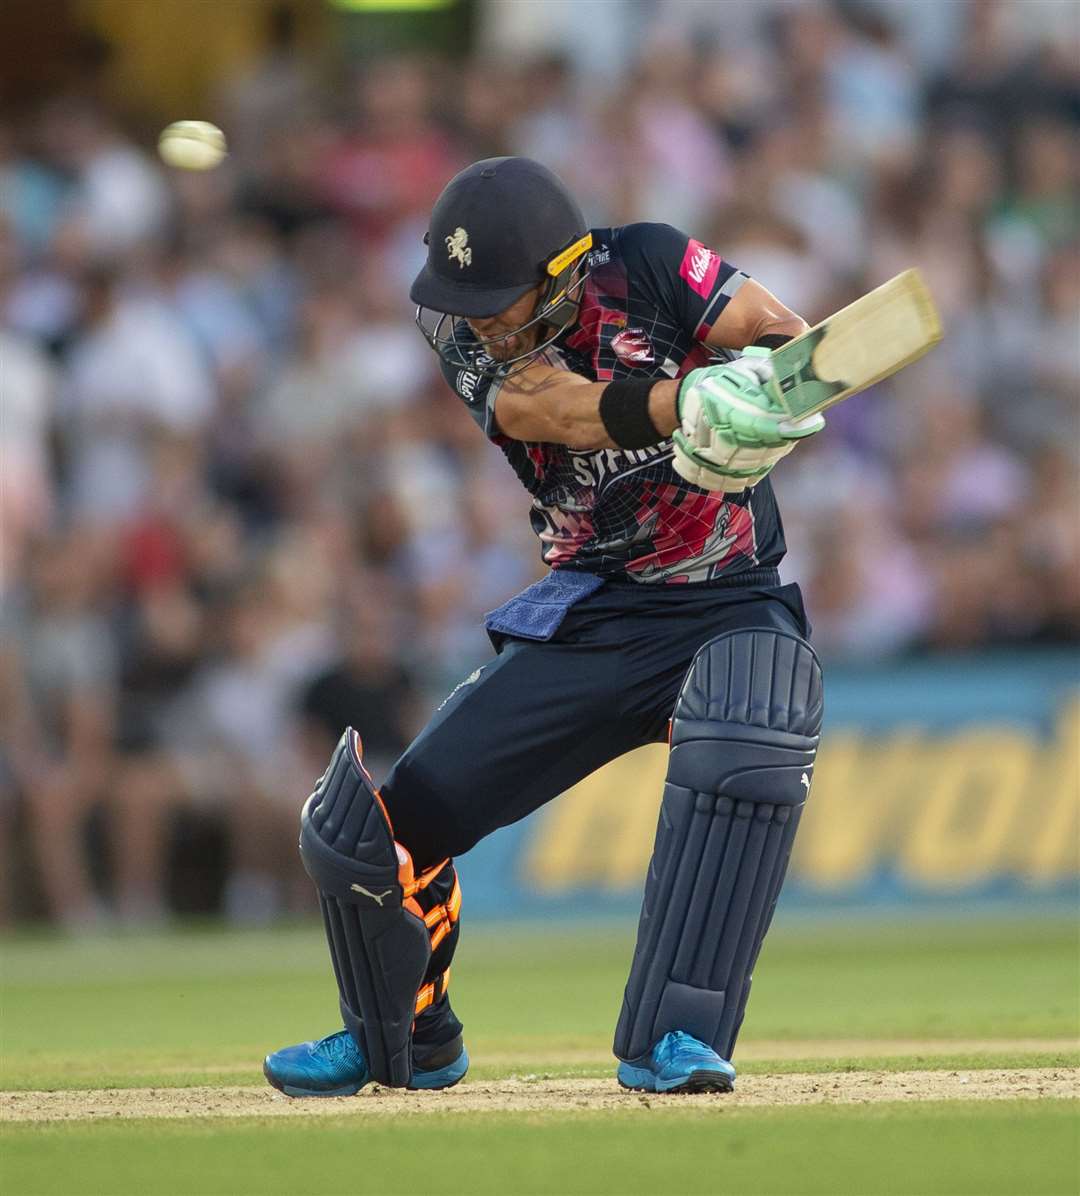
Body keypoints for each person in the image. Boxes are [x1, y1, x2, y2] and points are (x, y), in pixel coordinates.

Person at [264, 157, 824, 1097]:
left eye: (499, 296)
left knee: (750, 728)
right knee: (386, 832)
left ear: (565, 270)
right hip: (598, 606)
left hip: (730, 593)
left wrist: (770, 394)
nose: (478, 316)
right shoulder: (462, 333)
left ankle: (677, 1039)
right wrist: (686, 404)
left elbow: (780, 332)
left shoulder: (647, 261)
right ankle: (405, 1030)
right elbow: (547, 408)